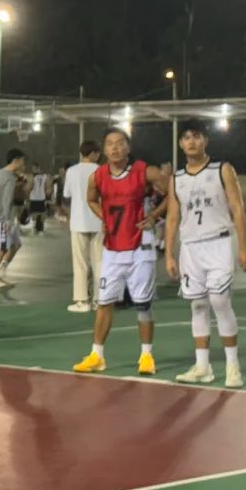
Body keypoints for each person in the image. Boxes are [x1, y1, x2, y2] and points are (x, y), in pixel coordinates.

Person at [164, 119, 246, 389]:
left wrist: (243, 247)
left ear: (206, 140)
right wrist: (169, 254)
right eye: (186, 137)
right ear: (180, 144)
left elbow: (237, 208)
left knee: (220, 301)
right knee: (198, 305)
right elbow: (173, 217)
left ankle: (233, 366)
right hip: (190, 247)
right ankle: (202, 367)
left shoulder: (222, 169)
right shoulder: (176, 179)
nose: (191, 141)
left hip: (218, 243)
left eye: (196, 136)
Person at [73, 128, 166, 376]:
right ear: (104, 150)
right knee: (104, 302)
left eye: (120, 142)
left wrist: (154, 216)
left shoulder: (144, 171)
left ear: (128, 147)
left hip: (140, 246)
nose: (115, 147)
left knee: (143, 304)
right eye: (110, 143)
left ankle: (146, 355)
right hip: (112, 247)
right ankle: (97, 355)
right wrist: (103, 216)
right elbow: (90, 199)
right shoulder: (98, 176)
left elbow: (173, 192)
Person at [64, 141, 103, 313]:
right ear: (93, 153)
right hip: (99, 219)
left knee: (80, 263)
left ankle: (82, 300)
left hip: (78, 221)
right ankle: (100, 300)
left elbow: (67, 194)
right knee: (99, 262)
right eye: (98, 153)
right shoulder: (102, 170)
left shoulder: (72, 171)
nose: (99, 156)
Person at [0, 149, 27, 288]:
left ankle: (1, 271)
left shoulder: (0, 173)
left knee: (16, 244)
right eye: (22, 161)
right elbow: (7, 200)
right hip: (4, 218)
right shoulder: (9, 178)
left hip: (5, 216)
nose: (23, 164)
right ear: (16, 161)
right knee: (2, 247)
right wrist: (7, 220)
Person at [28, 164, 48, 234]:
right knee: (42, 213)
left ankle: (34, 228)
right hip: (41, 197)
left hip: (34, 197)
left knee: (34, 213)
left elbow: (30, 186)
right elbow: (47, 187)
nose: (33, 170)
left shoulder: (32, 176)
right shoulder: (44, 176)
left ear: (37, 168)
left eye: (33, 168)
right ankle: (41, 229)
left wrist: (28, 191)